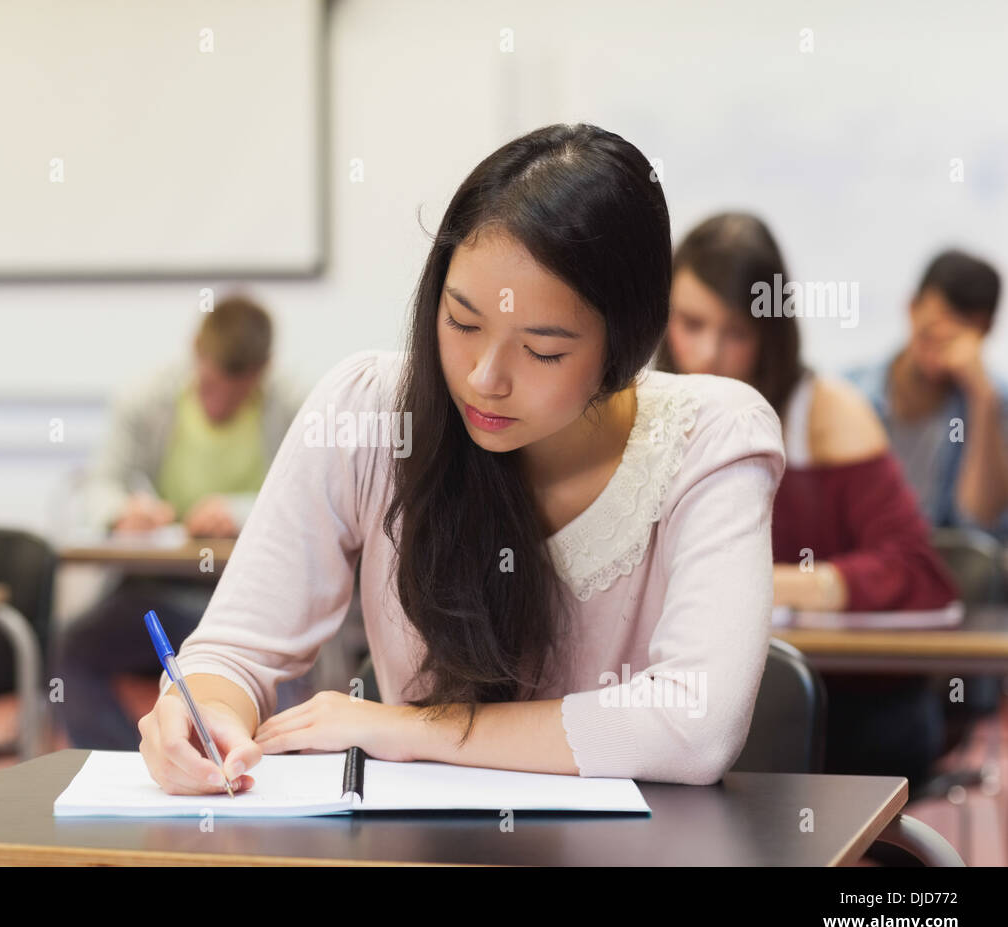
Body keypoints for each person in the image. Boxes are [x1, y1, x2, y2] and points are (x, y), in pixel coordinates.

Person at [136, 122, 788, 796]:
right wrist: (205, 710)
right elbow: (237, 646)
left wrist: (410, 729)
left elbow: (696, 725)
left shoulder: (711, 439)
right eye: (462, 321)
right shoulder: (367, 410)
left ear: (625, 345)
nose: (484, 378)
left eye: (542, 350)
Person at [655, 211, 960, 787]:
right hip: (694, 702)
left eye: (736, 333)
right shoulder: (643, 407)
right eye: (690, 323)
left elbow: (917, 570)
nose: (707, 353)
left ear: (771, 336)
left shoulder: (823, 411)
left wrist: (762, 582)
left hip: (847, 707)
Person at [56, 296, 308, 749]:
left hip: (249, 594)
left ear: (263, 370)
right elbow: (98, 485)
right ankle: (123, 762)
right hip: (157, 590)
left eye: (236, 391)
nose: (220, 404)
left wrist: (239, 512)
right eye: (211, 387)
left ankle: (270, 761)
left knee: (282, 658)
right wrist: (121, 512)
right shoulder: (146, 399)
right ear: (196, 352)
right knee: (75, 647)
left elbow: (312, 493)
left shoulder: (295, 406)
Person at [844, 251, 1008, 543]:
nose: (941, 349)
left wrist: (982, 401)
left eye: (959, 335)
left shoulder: (992, 400)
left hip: (949, 576)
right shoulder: (851, 393)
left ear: (984, 332)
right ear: (912, 308)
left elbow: (980, 522)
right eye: (933, 330)